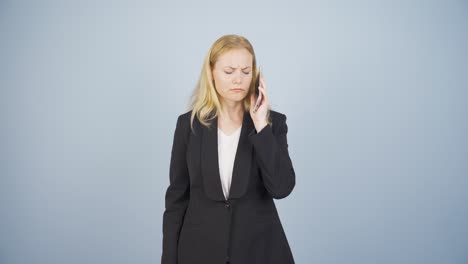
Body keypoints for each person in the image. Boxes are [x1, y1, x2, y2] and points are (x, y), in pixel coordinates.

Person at [161, 34, 296, 264]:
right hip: (199, 252)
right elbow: (177, 199)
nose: (238, 80)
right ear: (212, 73)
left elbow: (282, 188)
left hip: (260, 251)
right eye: (229, 71)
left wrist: (261, 125)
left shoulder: (273, 124)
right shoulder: (189, 125)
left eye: (246, 71)